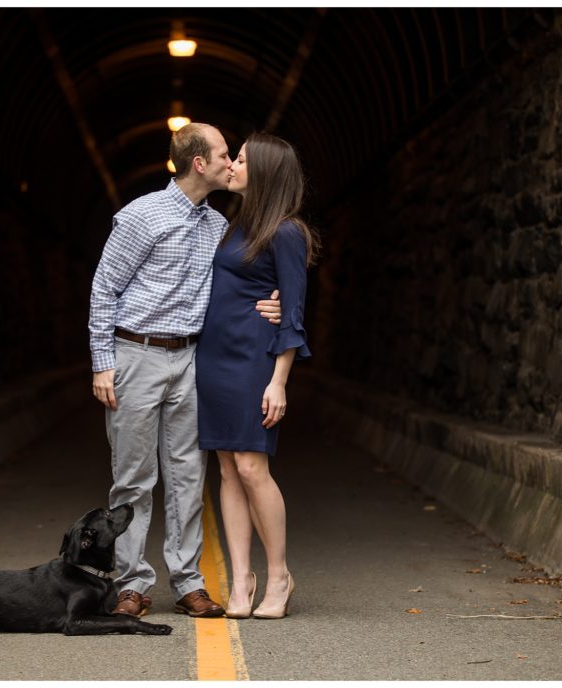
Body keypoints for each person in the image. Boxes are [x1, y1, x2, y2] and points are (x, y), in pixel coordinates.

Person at [88, 123, 281, 619]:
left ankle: (188, 581)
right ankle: (131, 584)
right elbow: (104, 288)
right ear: (200, 163)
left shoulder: (219, 226)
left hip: (191, 359)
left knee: (187, 476)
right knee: (133, 479)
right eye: (223, 154)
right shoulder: (141, 216)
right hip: (136, 355)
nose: (231, 162)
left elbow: (238, 286)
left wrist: (275, 304)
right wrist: (103, 364)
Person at [195, 133, 317, 620]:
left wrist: (278, 380)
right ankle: (241, 579)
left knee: (251, 468)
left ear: (264, 171)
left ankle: (279, 574)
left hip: (252, 361)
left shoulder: (286, 231)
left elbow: (293, 313)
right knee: (226, 468)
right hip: (213, 359)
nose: (232, 165)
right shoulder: (231, 225)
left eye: (241, 159)